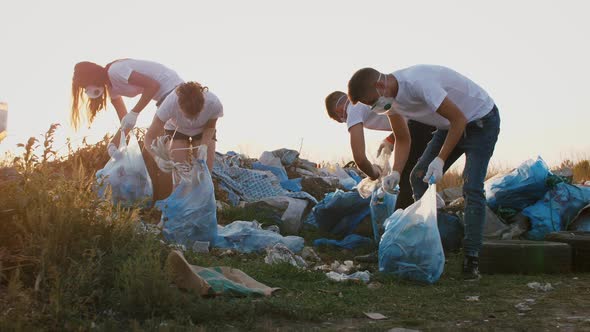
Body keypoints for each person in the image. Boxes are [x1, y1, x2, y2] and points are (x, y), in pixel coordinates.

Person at [347, 65, 501, 281]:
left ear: (380, 85)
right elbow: (402, 138)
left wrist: (440, 159)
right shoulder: (388, 100)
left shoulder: (419, 84)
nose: (374, 107)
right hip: (449, 125)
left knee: (472, 186)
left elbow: (460, 120)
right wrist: (396, 173)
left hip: (480, 120)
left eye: (372, 101)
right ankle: (429, 244)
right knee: (417, 178)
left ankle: (471, 257)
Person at [71, 59, 184, 200]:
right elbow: (125, 122)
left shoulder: (116, 71)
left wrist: (135, 112)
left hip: (173, 91)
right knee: (149, 153)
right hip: (164, 97)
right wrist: (113, 143)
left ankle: (165, 201)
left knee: (154, 149)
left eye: (84, 86)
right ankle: (157, 201)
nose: (87, 91)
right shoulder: (112, 90)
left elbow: (153, 85)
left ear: (91, 77)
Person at [324, 91, 434, 211]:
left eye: (341, 120)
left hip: (421, 125)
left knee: (406, 179)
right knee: (417, 176)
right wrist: (390, 139)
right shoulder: (364, 99)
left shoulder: (353, 109)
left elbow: (360, 159)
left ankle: (406, 221)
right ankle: (416, 214)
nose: (344, 120)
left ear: (339, 111)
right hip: (426, 118)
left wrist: (374, 174)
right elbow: (401, 116)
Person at [144, 81, 222, 180]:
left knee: (204, 175)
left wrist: (204, 146)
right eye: (188, 116)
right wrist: (157, 158)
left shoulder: (214, 103)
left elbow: (211, 127)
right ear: (179, 107)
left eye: (196, 115)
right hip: (176, 128)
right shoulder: (169, 104)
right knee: (180, 176)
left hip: (203, 129)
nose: (191, 121)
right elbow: (149, 137)